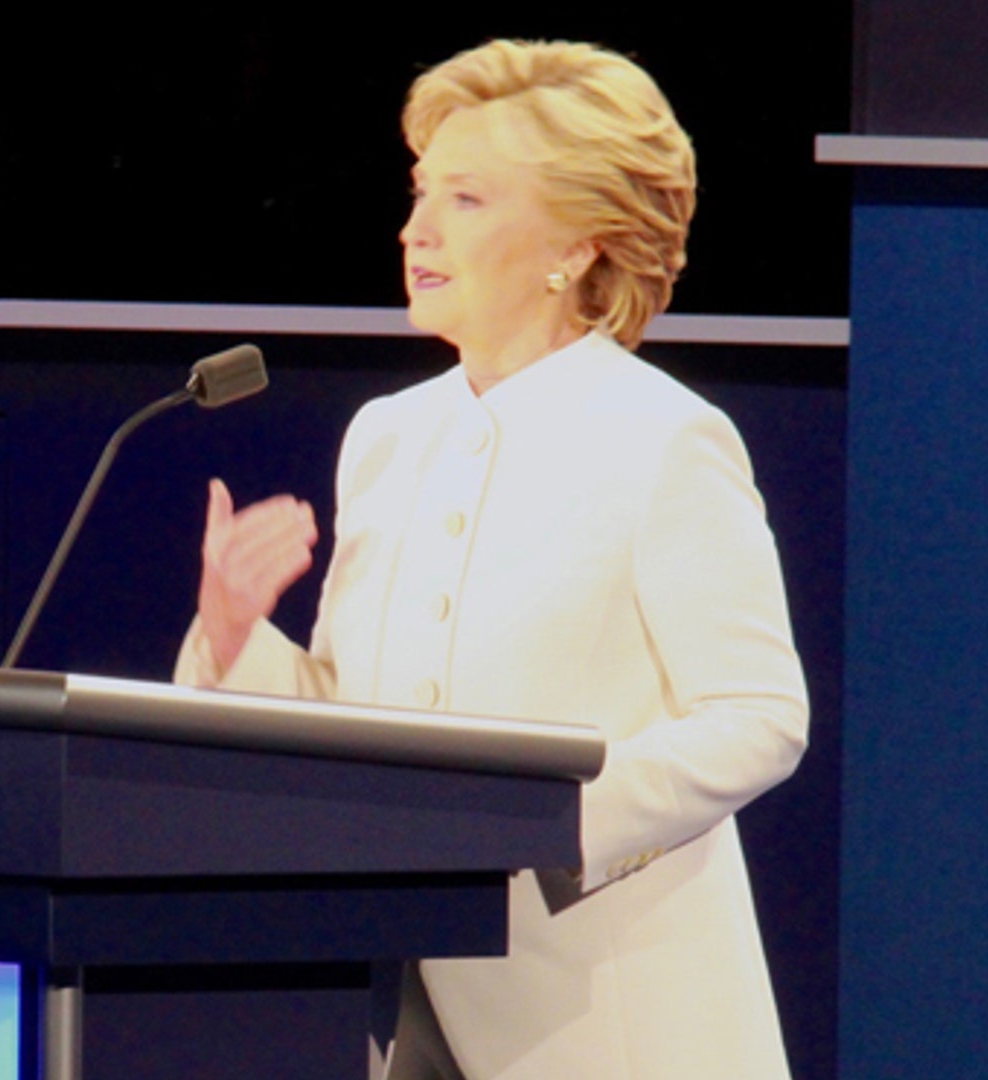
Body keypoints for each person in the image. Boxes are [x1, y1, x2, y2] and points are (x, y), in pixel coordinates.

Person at [175, 39, 808, 1080]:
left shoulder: (664, 439)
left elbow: (760, 716)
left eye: (465, 199)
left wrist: (549, 825)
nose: (414, 230)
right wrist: (236, 635)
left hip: (606, 1030)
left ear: (577, 245)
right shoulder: (387, 436)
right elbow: (354, 719)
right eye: (420, 191)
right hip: (414, 1002)